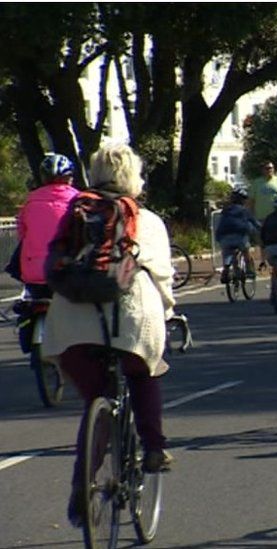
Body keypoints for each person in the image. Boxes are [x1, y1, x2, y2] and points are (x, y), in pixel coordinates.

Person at [42, 143, 176, 527]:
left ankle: (82, 485)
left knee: (96, 399)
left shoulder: (76, 214)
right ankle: (154, 448)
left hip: (71, 325)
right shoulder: (146, 220)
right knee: (144, 372)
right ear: (135, 177)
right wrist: (170, 314)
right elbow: (162, 279)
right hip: (130, 319)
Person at [16, 153, 80, 297]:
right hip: (64, 271)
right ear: (69, 178)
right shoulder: (78, 199)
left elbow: (22, 233)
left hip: (32, 272)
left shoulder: (30, 200)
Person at [215, 186, 260, 283]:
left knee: (228, 252)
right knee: (245, 249)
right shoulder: (244, 211)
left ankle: (226, 269)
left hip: (224, 236)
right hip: (239, 236)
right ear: (243, 200)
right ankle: (249, 270)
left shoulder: (225, 210)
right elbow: (255, 223)